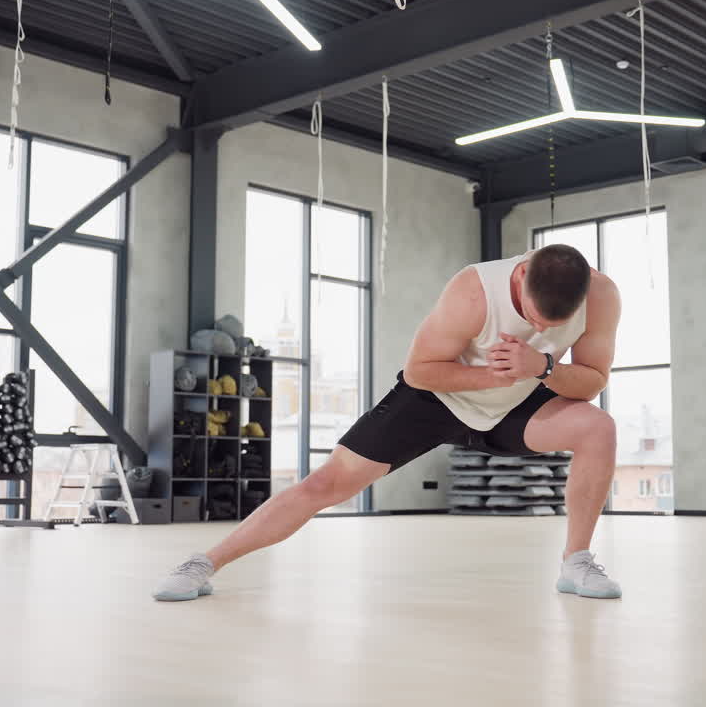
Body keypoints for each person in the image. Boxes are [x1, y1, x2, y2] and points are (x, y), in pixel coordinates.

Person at [153, 244, 622, 601]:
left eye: (550, 327)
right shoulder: (473, 291)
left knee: (598, 428)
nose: (539, 331)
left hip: (520, 400)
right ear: (521, 275)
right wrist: (494, 374)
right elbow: (420, 370)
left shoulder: (600, 297)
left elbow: (590, 381)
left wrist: (539, 367)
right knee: (326, 485)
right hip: (437, 396)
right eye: (533, 318)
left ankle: (575, 561)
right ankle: (203, 564)